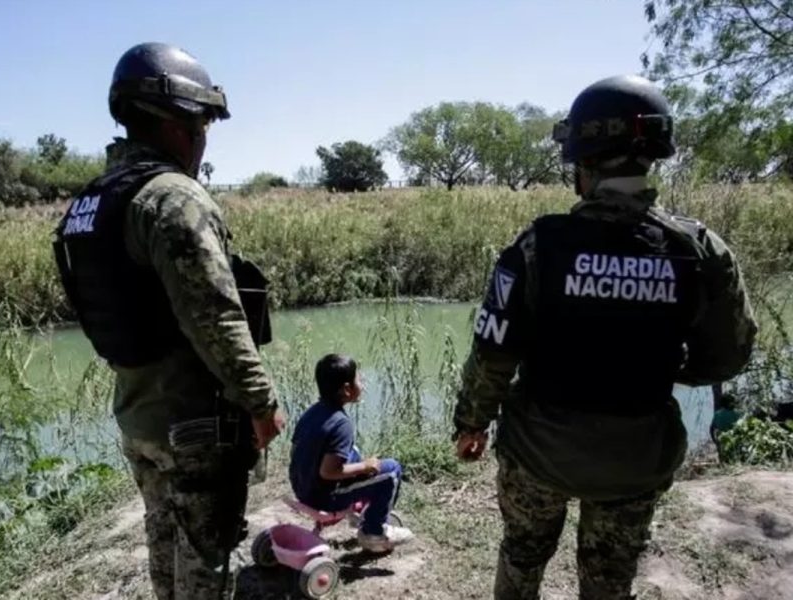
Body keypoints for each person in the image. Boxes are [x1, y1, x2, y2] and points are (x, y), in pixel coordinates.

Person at [452, 75, 758, 600]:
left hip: (538, 454)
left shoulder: (533, 247)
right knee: (609, 582)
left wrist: (471, 422)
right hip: (635, 460)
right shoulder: (700, 249)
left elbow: (493, 352)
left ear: (582, 166)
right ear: (652, 158)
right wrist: (670, 366)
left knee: (523, 557)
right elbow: (729, 355)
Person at [53, 42, 285, 600]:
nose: (205, 138)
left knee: (164, 543)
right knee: (207, 558)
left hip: (140, 417)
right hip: (195, 425)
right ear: (180, 123)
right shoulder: (172, 198)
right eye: (204, 122)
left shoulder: (91, 202)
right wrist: (261, 401)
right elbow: (214, 315)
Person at [289, 353, 414, 553]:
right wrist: (365, 467)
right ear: (347, 389)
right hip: (323, 497)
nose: (362, 382)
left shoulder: (311, 412)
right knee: (391, 470)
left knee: (352, 452)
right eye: (358, 378)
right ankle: (373, 532)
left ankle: (359, 510)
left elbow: (297, 450)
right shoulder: (341, 424)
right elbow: (328, 472)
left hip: (302, 488)